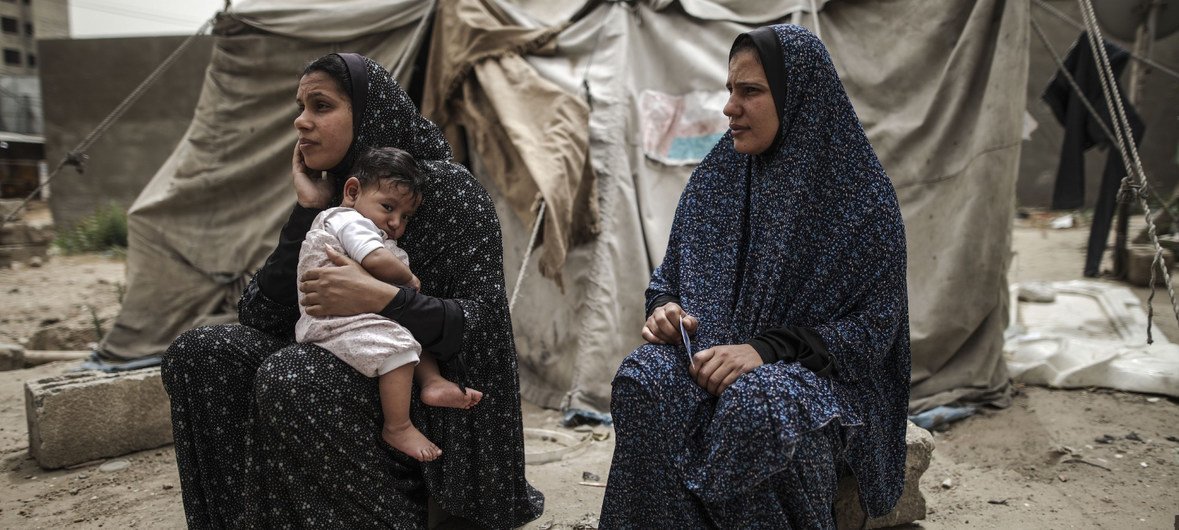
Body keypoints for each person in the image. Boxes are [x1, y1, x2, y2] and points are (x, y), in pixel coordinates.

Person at [161, 52, 543, 528]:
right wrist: (307, 210)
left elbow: (481, 325)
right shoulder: (342, 194)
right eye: (300, 107)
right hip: (341, 355)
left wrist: (385, 298)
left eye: (321, 106)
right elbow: (260, 316)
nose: (301, 122)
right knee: (200, 354)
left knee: (294, 374)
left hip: (418, 392)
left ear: (367, 114)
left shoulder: (445, 191)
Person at [599, 24, 910, 528]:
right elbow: (669, 278)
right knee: (643, 378)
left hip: (826, 379)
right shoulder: (719, 176)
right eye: (730, 90)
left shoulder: (860, 201)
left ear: (797, 98)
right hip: (715, 358)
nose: (729, 107)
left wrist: (764, 351)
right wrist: (665, 311)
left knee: (757, 403)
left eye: (751, 92)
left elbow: (873, 335)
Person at [294, 146, 482, 463]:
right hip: (332, 318)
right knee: (397, 345)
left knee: (407, 323)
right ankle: (398, 426)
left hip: (356, 312)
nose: (395, 222)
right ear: (352, 192)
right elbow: (374, 259)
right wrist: (408, 280)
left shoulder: (371, 226)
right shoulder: (348, 220)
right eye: (388, 207)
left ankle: (432, 381)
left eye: (406, 216)